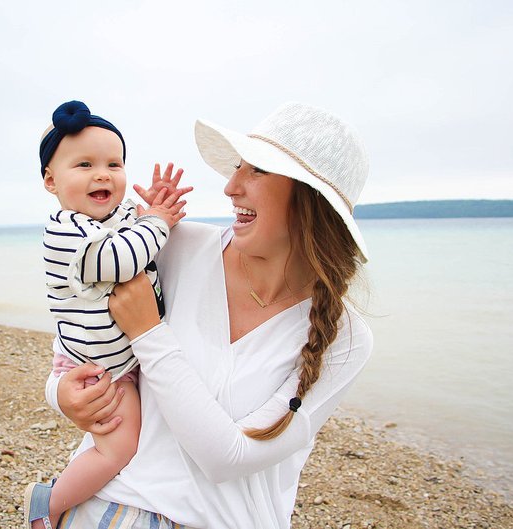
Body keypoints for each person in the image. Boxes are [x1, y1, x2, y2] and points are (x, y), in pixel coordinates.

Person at [44, 102, 374, 528]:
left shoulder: (344, 337)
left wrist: (148, 331)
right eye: (238, 167)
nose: (230, 186)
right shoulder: (175, 245)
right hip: (108, 507)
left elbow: (230, 458)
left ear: (309, 198)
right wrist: (60, 393)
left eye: (256, 170)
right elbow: (78, 323)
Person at [25, 100, 191, 529]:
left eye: (114, 164)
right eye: (84, 164)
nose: (103, 174)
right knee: (118, 449)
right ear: (51, 180)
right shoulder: (65, 231)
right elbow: (120, 259)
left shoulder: (110, 217)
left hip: (118, 359)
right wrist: (157, 223)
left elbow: (134, 229)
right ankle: (47, 505)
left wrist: (152, 206)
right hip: (97, 369)